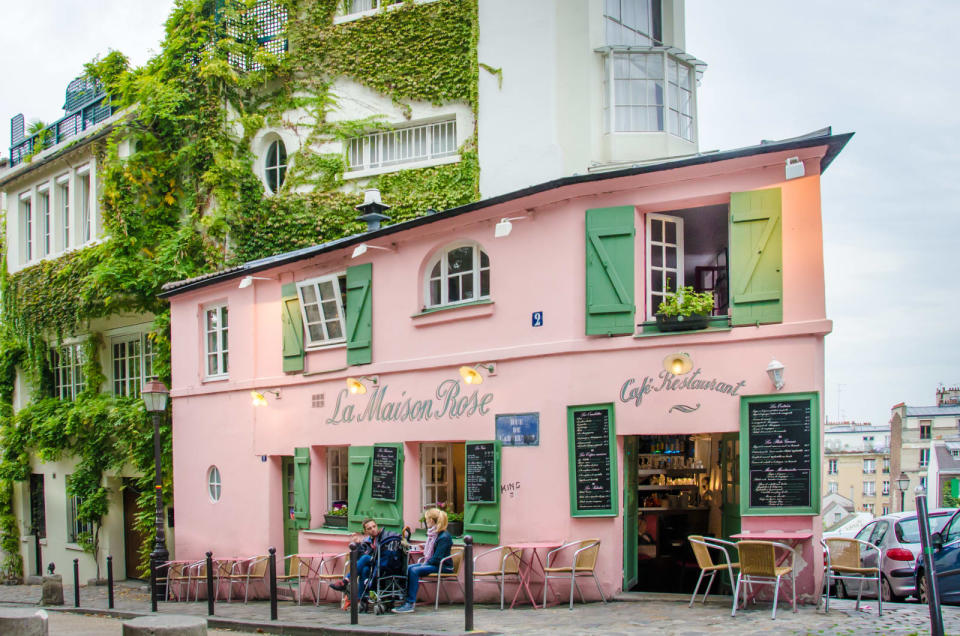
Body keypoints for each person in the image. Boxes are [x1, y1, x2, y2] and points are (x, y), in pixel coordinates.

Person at [392, 508, 453, 613]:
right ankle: (402, 597)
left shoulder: (444, 537)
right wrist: (424, 546)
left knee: (414, 570)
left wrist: (423, 564)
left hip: (443, 566)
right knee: (408, 567)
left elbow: (437, 558)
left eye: (427, 519)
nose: (426, 522)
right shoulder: (434, 534)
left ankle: (410, 604)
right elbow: (434, 548)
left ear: (432, 521)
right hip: (434, 564)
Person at [330, 518, 398, 597]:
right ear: (366, 531)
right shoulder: (367, 541)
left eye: (374, 526)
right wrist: (358, 544)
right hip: (373, 567)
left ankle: (345, 581)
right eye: (369, 528)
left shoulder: (384, 536)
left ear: (377, 526)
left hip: (384, 564)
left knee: (366, 558)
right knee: (364, 569)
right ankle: (362, 598)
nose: (373, 529)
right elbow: (360, 560)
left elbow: (398, 538)